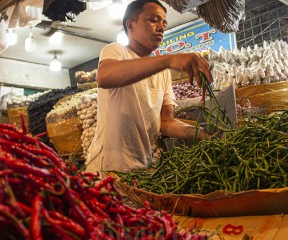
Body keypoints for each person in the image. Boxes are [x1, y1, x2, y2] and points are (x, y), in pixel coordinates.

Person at [85, 0, 214, 173]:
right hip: (106, 169)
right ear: (130, 25)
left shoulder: (163, 72)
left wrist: (200, 132)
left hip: (142, 168)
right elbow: (105, 77)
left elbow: (166, 122)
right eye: (153, 20)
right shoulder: (116, 51)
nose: (161, 27)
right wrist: (169, 59)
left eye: (164, 23)